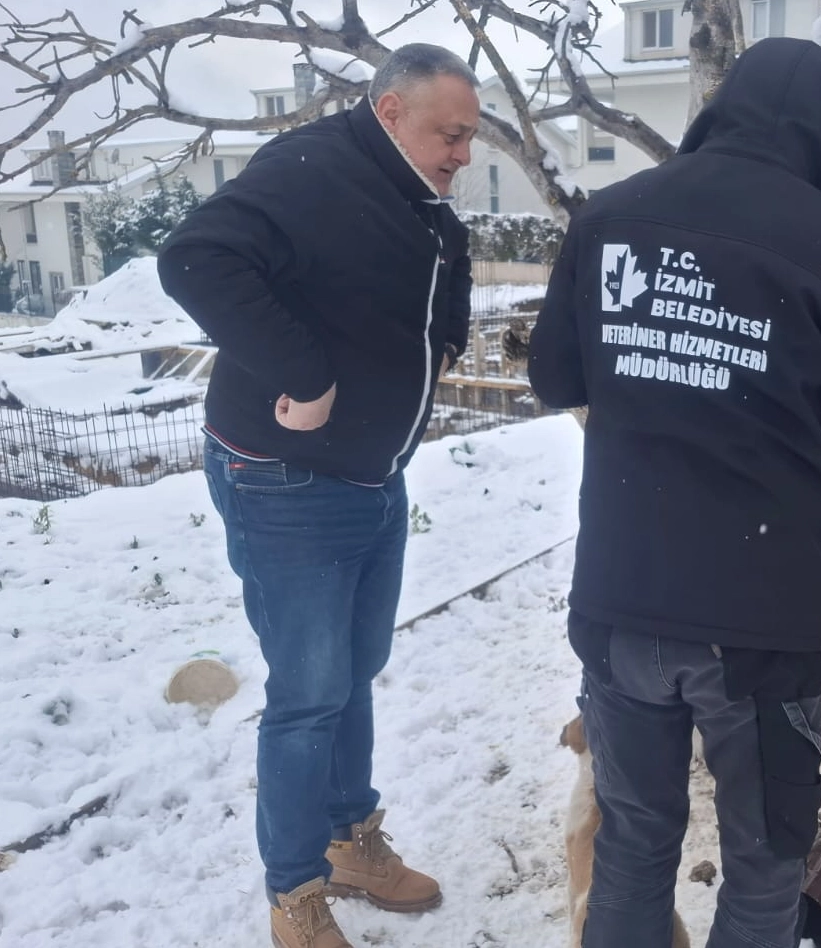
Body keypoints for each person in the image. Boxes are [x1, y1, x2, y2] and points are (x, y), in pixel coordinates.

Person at [529, 36, 821, 948]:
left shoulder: (609, 218)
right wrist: (820, 552)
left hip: (622, 598)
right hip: (759, 615)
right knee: (766, 856)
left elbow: (553, 374)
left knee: (632, 842)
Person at [157, 42, 478, 948]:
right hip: (285, 478)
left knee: (352, 671)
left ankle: (350, 840)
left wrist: (448, 338)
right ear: (392, 112)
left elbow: (447, 261)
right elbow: (196, 259)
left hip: (372, 474)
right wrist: (305, 372)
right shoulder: (311, 169)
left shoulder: (415, 190)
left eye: (469, 138)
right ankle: (294, 890)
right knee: (308, 695)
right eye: (451, 135)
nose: (462, 154)